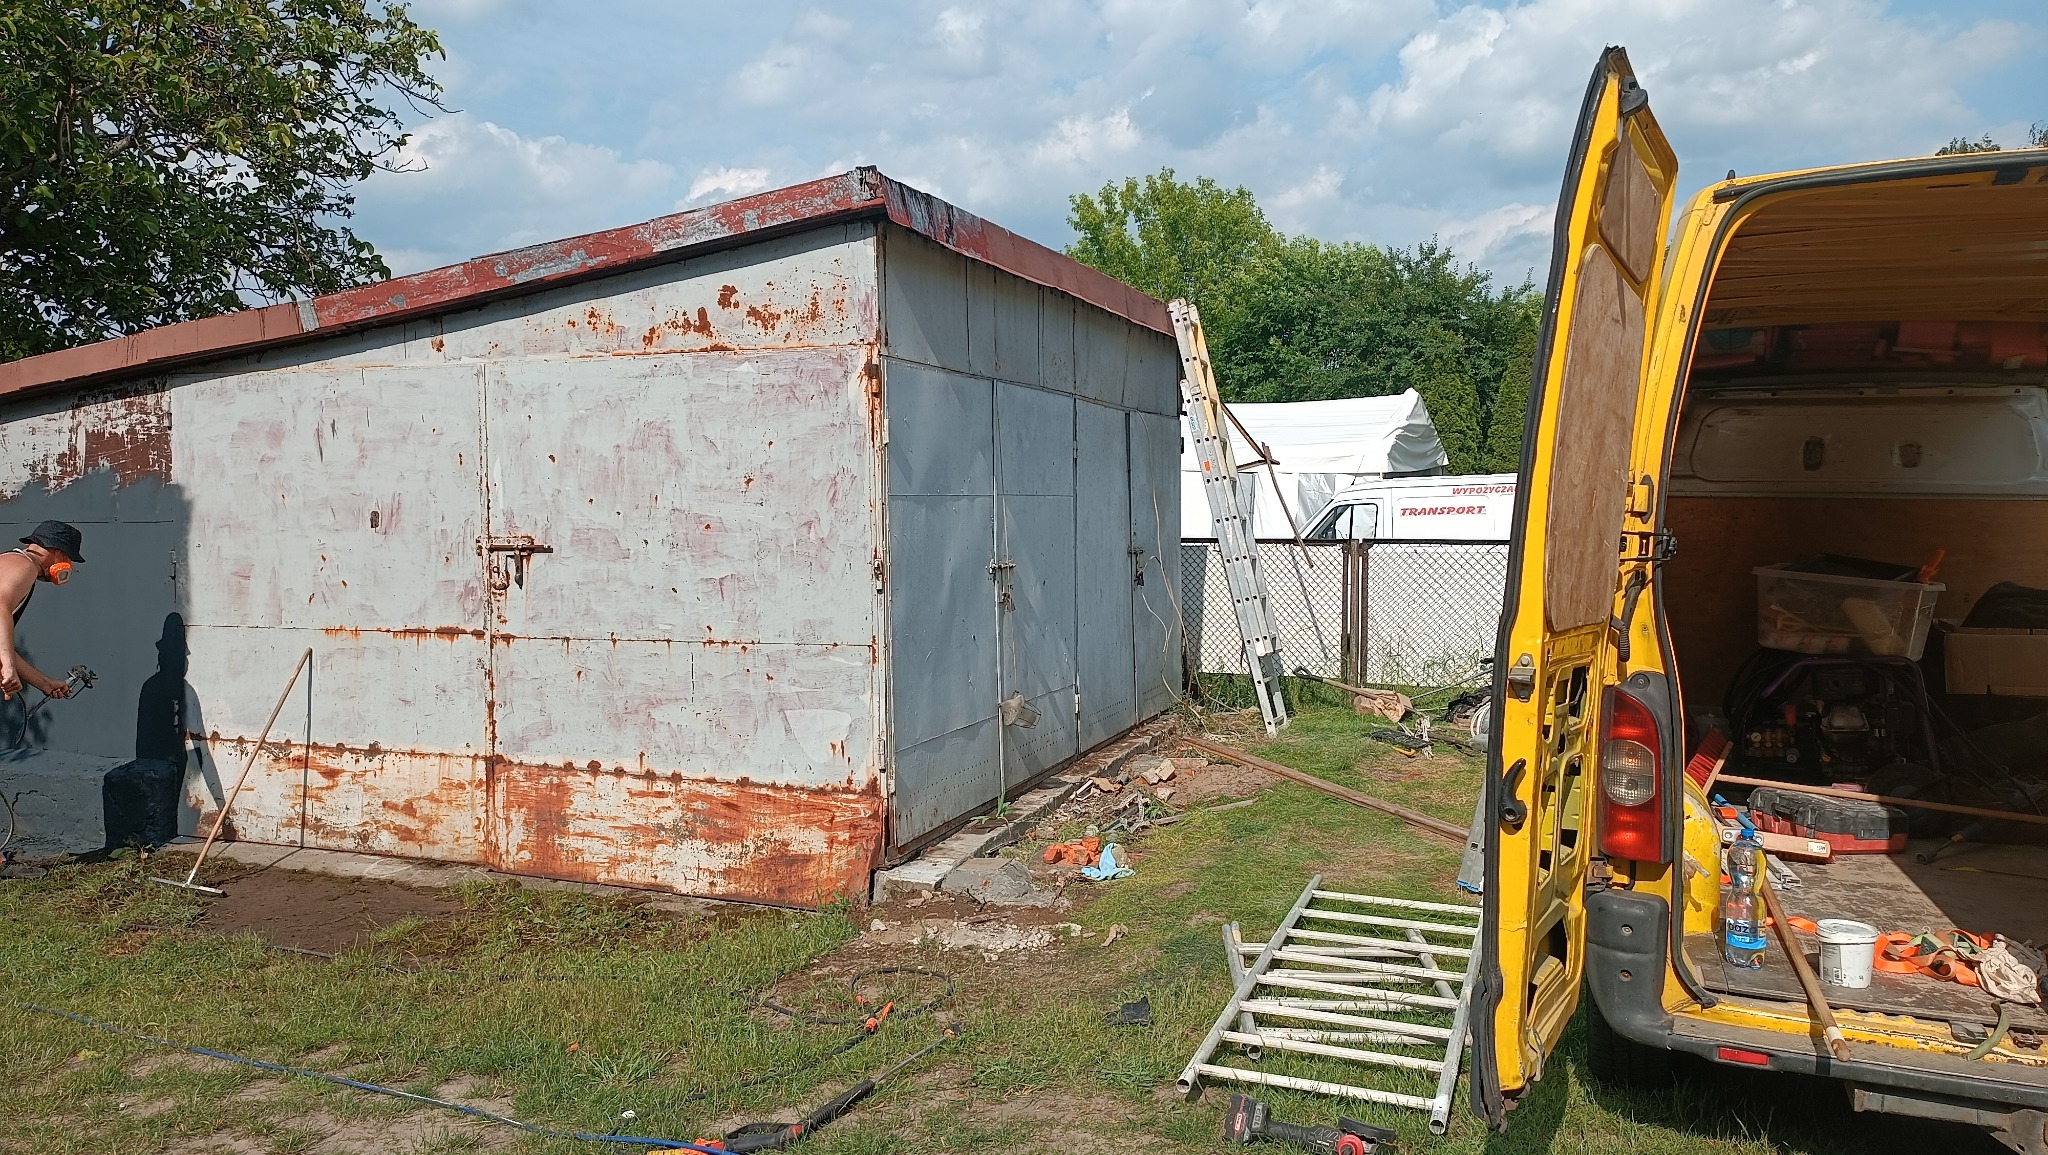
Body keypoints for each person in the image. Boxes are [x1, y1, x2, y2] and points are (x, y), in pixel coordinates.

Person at [0, 520, 83, 703]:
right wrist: (8, 667)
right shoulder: (25, 566)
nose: (68, 565)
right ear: (58, 551)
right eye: (69, 558)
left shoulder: (13, 562)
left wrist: (43, 682)